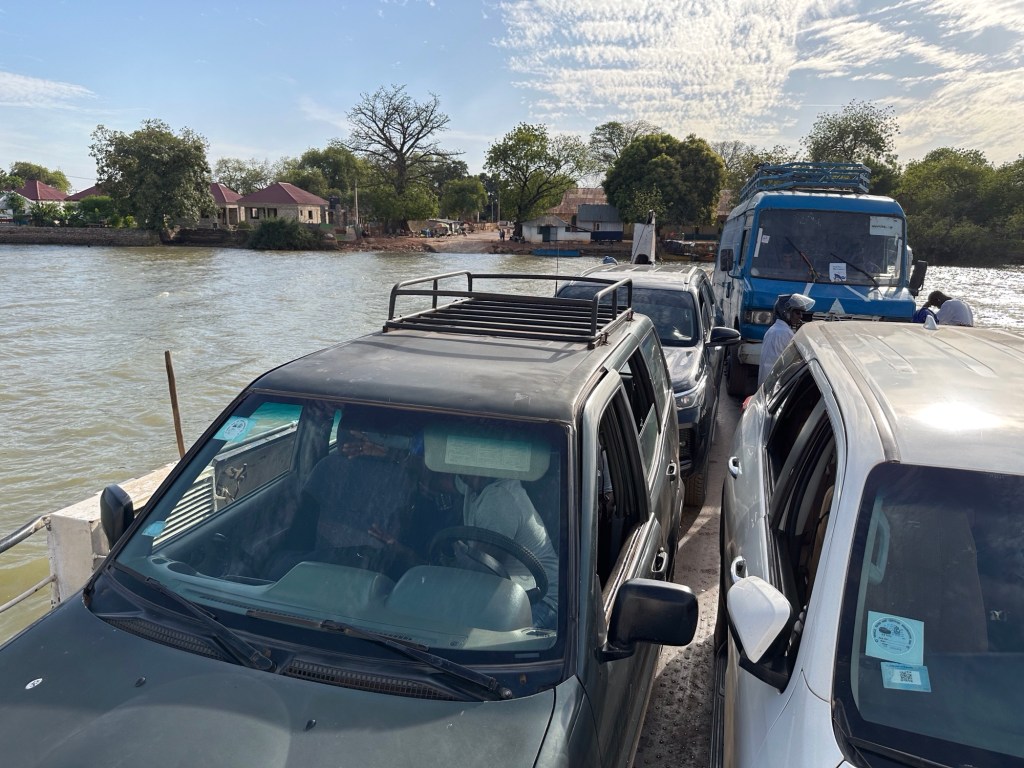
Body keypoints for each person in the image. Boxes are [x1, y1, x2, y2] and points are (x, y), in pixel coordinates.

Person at [455, 473, 559, 629]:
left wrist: (457, 555)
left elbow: (483, 570)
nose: (458, 473)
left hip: (541, 601)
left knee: (486, 644)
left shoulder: (498, 501)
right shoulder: (472, 479)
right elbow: (447, 482)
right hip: (509, 596)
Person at [758, 293, 815, 386]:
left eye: (801, 313)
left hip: (768, 383)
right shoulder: (784, 333)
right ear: (786, 312)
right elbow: (799, 359)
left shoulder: (775, 329)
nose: (801, 316)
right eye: (797, 313)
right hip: (774, 384)